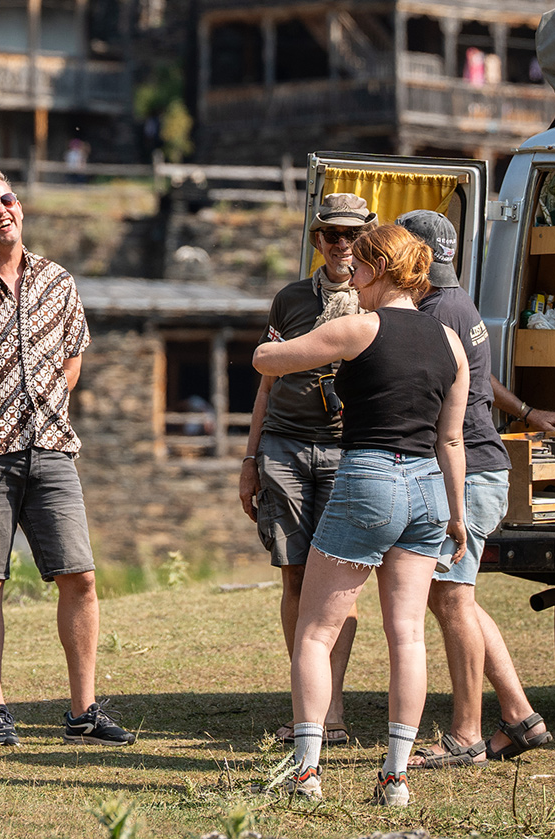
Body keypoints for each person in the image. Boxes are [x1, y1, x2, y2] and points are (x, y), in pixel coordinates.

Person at [0, 166, 135, 749]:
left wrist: (48, 405)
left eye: (6, 199)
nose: (0, 211)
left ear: (20, 204)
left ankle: (83, 711)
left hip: (53, 449)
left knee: (81, 577)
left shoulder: (58, 281)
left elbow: (72, 357)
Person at [254, 224, 468, 809]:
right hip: (428, 486)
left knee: (315, 632)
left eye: (359, 266)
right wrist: (458, 515)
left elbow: (266, 357)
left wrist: (304, 339)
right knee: (408, 636)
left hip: (369, 477)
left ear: (374, 269)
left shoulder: (357, 326)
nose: (350, 273)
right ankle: (395, 776)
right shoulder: (450, 342)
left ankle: (306, 771)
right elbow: (452, 441)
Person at [396, 209, 555, 767]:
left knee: (451, 599)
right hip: (477, 465)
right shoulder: (454, 302)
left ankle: (466, 735)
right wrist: (525, 408)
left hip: (467, 471)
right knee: (454, 599)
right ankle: (520, 716)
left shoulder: (435, 310)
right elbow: (476, 373)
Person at [236, 192, 374, 746]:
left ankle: (332, 710)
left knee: (340, 584)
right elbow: (265, 382)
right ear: (317, 240)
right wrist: (249, 458)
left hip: (349, 450)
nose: (341, 245)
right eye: (331, 235)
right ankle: (307, 709)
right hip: (285, 447)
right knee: (294, 573)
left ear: (368, 238)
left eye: (352, 235)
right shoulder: (291, 299)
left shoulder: (380, 301)